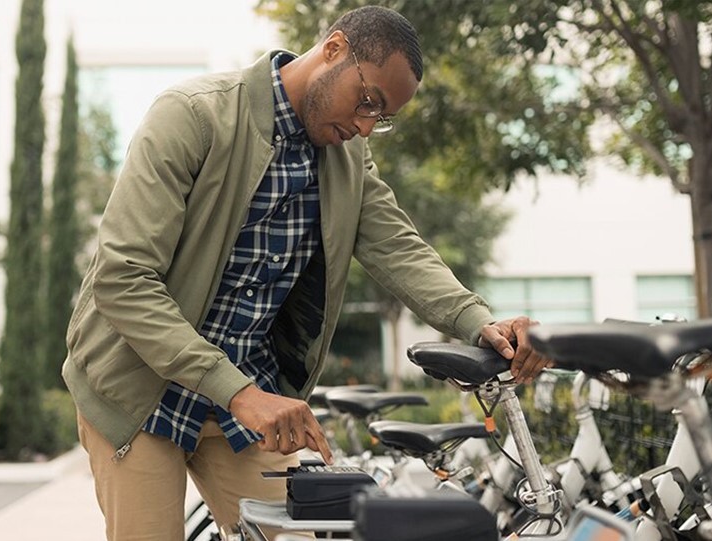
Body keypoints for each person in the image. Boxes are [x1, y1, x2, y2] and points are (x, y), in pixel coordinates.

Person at [62, 5, 552, 540]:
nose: (365, 125)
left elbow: (398, 246)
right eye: (368, 102)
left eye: (380, 118)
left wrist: (477, 320)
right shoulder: (192, 116)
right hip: (141, 391)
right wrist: (238, 391)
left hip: (247, 401)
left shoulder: (348, 156)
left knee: (300, 535)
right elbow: (123, 278)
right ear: (334, 50)